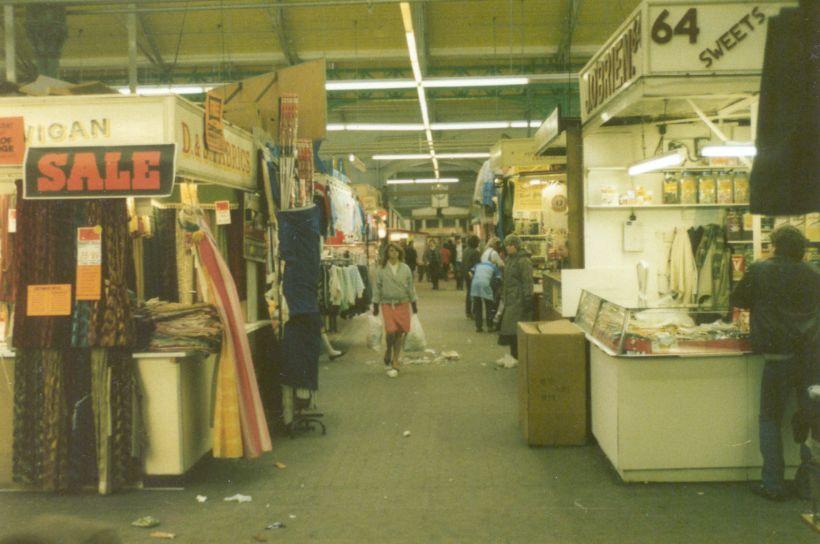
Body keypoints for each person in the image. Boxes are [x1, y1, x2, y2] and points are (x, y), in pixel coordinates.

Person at [730, 224, 819, 501]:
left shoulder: (760, 270)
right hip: (812, 357)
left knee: (770, 418)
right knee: (812, 419)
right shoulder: (814, 274)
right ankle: (809, 483)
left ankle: (773, 483)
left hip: (776, 355)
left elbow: (738, 299)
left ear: (775, 245)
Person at [373, 242, 418, 378]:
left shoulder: (405, 269)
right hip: (387, 304)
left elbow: (410, 287)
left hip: (403, 303)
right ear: (387, 253)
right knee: (390, 330)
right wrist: (375, 304)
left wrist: (414, 303)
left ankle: (395, 359)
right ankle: (388, 349)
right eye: (391, 251)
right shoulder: (381, 269)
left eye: (396, 251)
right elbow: (378, 287)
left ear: (399, 253)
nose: (393, 253)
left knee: (399, 332)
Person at [497, 235, 533, 359]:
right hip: (510, 298)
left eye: (510, 245)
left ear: (516, 246)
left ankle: (517, 356)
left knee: (514, 328)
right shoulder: (510, 259)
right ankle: (515, 355)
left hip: (518, 299)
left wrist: (528, 298)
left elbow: (527, 281)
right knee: (510, 328)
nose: (507, 247)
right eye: (506, 245)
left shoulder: (523, 261)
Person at [470, 260, 500, 332]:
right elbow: (498, 278)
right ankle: (489, 326)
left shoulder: (478, 264)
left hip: (475, 284)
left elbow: (470, 272)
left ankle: (478, 327)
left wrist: (474, 278)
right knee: (489, 306)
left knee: (477, 306)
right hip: (486, 284)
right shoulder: (494, 266)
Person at [463, 235, 481, 318]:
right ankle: (474, 312)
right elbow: (478, 264)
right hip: (473, 274)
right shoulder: (475, 252)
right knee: (475, 294)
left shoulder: (465, 250)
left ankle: (468, 311)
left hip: (466, 274)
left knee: (469, 292)